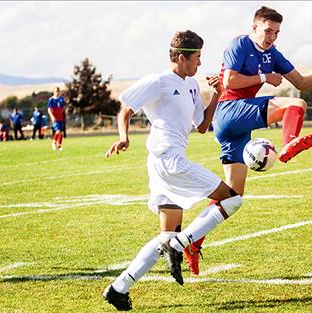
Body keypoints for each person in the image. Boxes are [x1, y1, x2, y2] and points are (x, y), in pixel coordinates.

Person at [183, 6, 312, 275]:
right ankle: (289, 142)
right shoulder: (240, 44)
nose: (272, 37)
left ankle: (192, 239)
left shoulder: (272, 53)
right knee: (296, 104)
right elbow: (229, 79)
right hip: (229, 110)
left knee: (233, 197)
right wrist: (265, 77)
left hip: (236, 126)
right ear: (254, 27)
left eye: (276, 32)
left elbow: (300, 81)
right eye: (268, 30)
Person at [102, 30, 243, 311]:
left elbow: (202, 126)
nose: (200, 64)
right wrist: (123, 136)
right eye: (197, 58)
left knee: (165, 237)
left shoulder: (191, 85)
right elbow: (125, 109)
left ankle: (119, 289)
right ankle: (182, 245)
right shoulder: (159, 81)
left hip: (166, 162)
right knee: (232, 199)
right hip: (168, 161)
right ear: (180, 56)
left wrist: (216, 95)